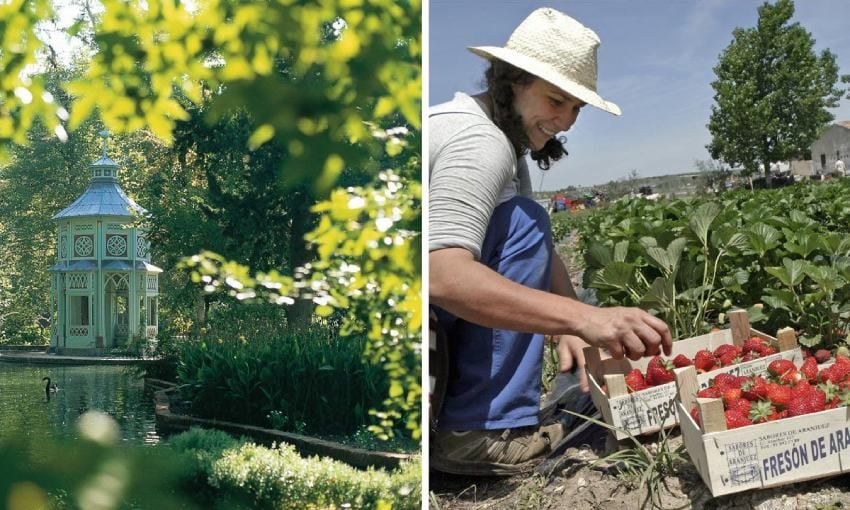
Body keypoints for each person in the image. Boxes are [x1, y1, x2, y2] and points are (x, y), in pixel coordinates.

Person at [429, 7, 673, 476]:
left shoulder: (494, 131)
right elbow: (441, 274)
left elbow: (528, 238)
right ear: (513, 80)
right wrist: (585, 317)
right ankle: (477, 434)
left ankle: (467, 419)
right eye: (556, 101)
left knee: (526, 218)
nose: (565, 121)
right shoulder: (479, 142)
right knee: (523, 217)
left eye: (576, 108)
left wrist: (566, 322)